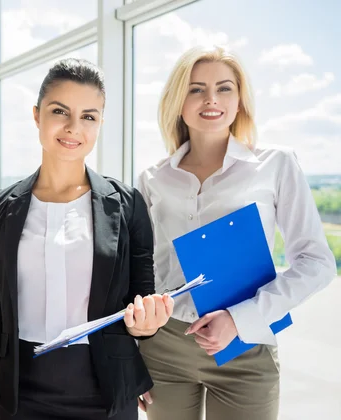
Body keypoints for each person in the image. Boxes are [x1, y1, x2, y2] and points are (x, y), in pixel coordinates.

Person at [137, 45, 336, 420]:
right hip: (164, 348)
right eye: (196, 88)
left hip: (245, 346)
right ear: (177, 100)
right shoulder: (153, 178)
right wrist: (131, 355)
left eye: (224, 88)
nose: (211, 99)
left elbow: (317, 262)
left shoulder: (275, 164)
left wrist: (240, 318)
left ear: (240, 98)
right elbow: (141, 268)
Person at [0, 58, 174, 420]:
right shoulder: (5, 207)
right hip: (21, 390)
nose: (73, 127)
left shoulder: (127, 204)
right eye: (59, 111)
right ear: (37, 115)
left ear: (99, 123)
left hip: (106, 390)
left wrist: (145, 324)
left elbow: (141, 299)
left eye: (89, 116)